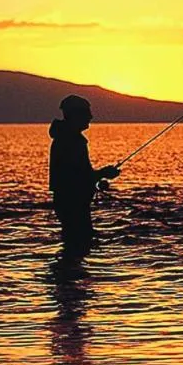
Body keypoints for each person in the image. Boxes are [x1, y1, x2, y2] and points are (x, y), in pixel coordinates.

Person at [49, 95, 120, 254]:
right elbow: (76, 177)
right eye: (86, 113)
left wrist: (97, 178)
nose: (90, 117)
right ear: (75, 115)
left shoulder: (66, 137)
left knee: (74, 245)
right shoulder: (71, 140)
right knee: (79, 244)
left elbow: (78, 174)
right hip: (72, 202)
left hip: (67, 201)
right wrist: (103, 174)